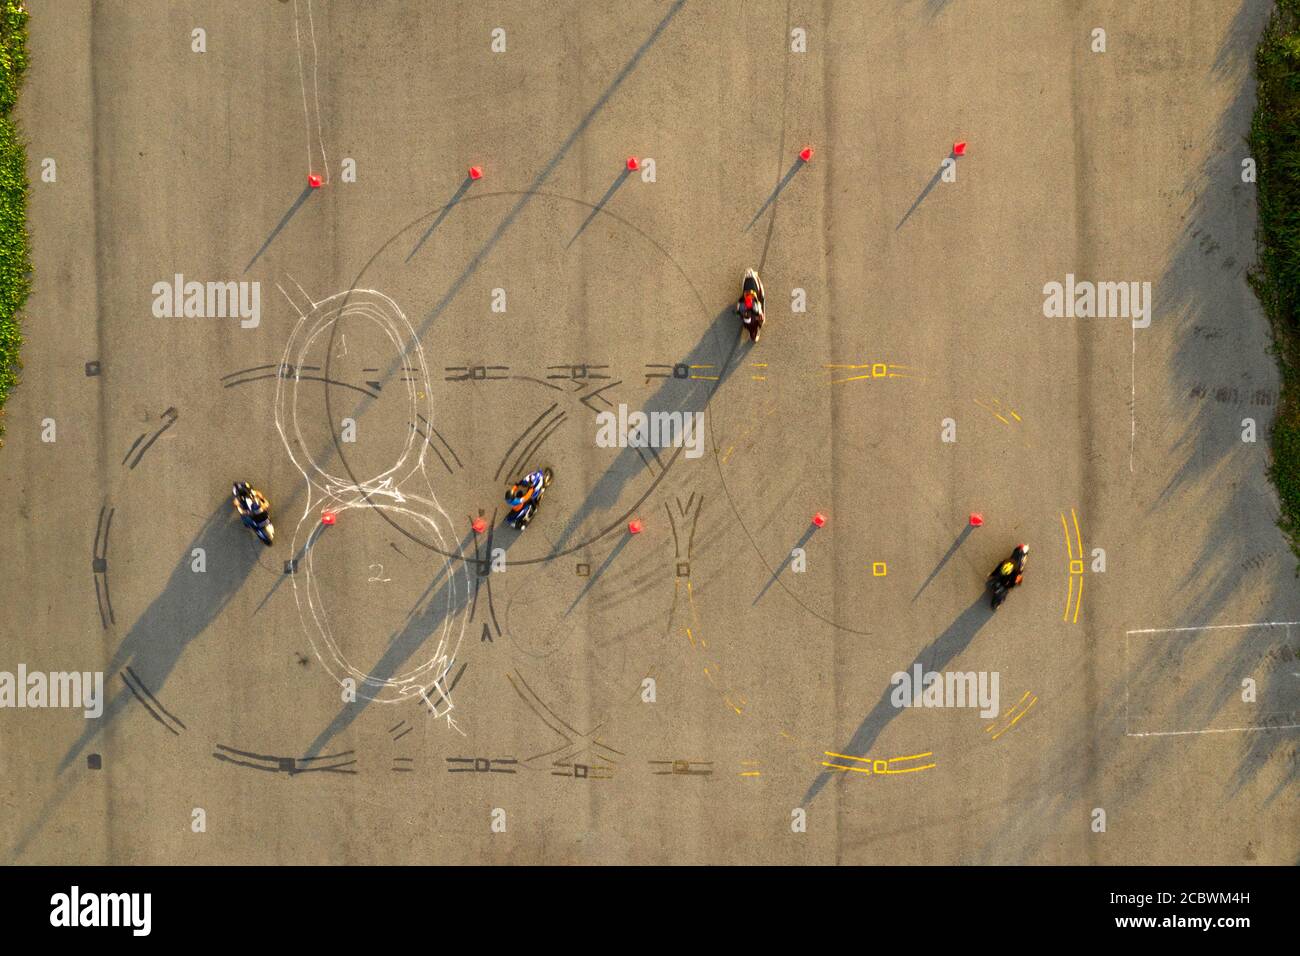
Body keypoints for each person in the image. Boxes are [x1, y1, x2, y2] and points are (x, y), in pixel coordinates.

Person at [736, 268, 765, 342]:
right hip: (750, 294)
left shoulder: (753, 307)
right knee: (762, 297)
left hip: (750, 292)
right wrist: (760, 317)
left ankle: (756, 278)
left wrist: (738, 313)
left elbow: (738, 310)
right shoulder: (745, 308)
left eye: (746, 314)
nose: (747, 313)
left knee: (762, 297)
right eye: (747, 315)